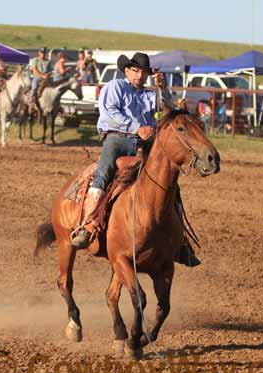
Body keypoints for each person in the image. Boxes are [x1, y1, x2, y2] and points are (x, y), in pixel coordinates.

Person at [69, 52, 200, 267]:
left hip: (144, 143)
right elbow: (109, 112)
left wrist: (163, 88)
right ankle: (88, 224)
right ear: (127, 71)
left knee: (168, 182)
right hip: (117, 138)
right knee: (104, 172)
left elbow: (170, 110)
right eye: (136, 71)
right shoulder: (115, 87)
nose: (140, 76)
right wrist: (137, 128)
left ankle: (180, 240)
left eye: (144, 72)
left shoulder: (150, 94)